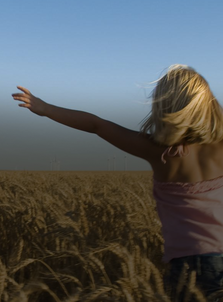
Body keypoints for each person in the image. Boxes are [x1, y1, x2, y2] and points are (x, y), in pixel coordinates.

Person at [12, 65, 223, 301]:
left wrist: (46, 108)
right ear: (207, 103)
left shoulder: (157, 150)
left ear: (163, 104)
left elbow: (96, 125)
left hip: (193, 265)